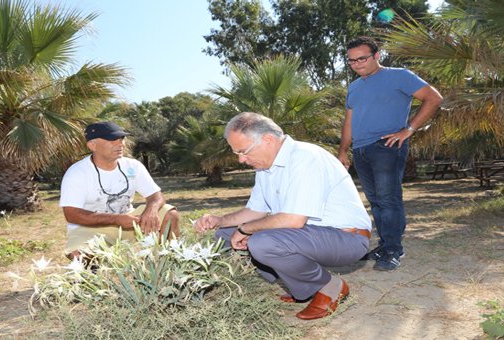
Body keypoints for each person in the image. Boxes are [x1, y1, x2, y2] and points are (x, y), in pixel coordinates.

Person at [194, 112, 371, 320]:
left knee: (262, 241)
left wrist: (245, 230)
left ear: (268, 140)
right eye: (236, 153)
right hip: (309, 235)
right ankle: (301, 287)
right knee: (225, 234)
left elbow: (293, 220)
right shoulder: (265, 169)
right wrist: (220, 221)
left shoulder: (305, 157)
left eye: (243, 151)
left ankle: (329, 286)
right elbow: (255, 212)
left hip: (346, 238)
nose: (241, 159)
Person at [339, 36, 443, 271]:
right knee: (375, 201)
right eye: (351, 61)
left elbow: (434, 98)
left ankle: (394, 249)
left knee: (388, 199)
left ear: (377, 56)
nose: (357, 64)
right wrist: (343, 150)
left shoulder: (399, 75)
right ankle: (385, 245)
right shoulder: (354, 87)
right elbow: (349, 121)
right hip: (362, 150)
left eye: (362, 58)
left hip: (387, 146)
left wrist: (408, 129)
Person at [60, 121, 179, 259]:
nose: (121, 144)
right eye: (112, 140)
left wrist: (151, 210)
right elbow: (72, 215)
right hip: (90, 229)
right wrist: (117, 219)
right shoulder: (77, 172)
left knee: (170, 214)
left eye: (121, 139)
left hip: (130, 224)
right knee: (79, 256)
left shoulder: (133, 166)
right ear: (92, 145)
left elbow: (156, 196)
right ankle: (88, 278)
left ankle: (168, 263)